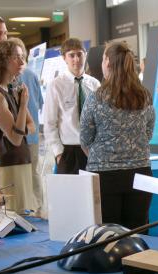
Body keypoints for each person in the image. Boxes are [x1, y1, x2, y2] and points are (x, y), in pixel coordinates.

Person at [80, 42, 155, 229]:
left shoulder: (96, 97)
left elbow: (85, 138)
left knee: (108, 235)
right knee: (137, 233)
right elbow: (148, 133)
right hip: (141, 173)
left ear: (107, 62)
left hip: (104, 176)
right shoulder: (144, 96)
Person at [0, 39, 38, 214]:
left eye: (23, 57)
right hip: (8, 165)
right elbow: (15, 138)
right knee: (12, 218)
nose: (22, 62)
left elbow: (31, 127)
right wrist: (23, 105)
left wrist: (20, 126)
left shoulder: (11, 91)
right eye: (17, 57)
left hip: (21, 161)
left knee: (24, 216)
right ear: (3, 60)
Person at [43, 38, 100, 174]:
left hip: (93, 149)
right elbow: (50, 122)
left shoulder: (95, 84)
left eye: (80, 54)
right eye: (72, 55)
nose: (76, 59)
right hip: (69, 151)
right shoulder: (56, 85)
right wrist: (58, 153)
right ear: (64, 58)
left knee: (94, 193)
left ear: (85, 54)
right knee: (69, 194)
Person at [10, 37, 44, 216]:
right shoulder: (32, 75)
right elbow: (39, 103)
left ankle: (26, 208)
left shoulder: (20, 77)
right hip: (30, 135)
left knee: (22, 174)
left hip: (20, 136)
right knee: (34, 172)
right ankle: (37, 207)